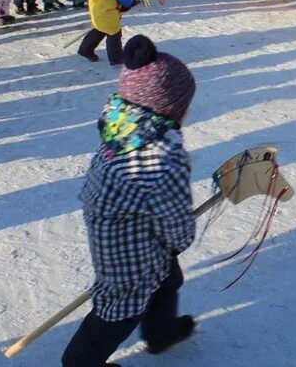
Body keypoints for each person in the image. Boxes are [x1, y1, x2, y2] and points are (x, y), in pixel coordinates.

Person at [62, 35, 197, 367]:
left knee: (168, 279)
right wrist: (181, 241)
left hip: (116, 224)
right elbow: (175, 220)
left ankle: (161, 333)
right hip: (129, 251)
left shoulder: (121, 126)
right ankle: (79, 363)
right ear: (172, 107)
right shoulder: (163, 156)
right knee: (118, 309)